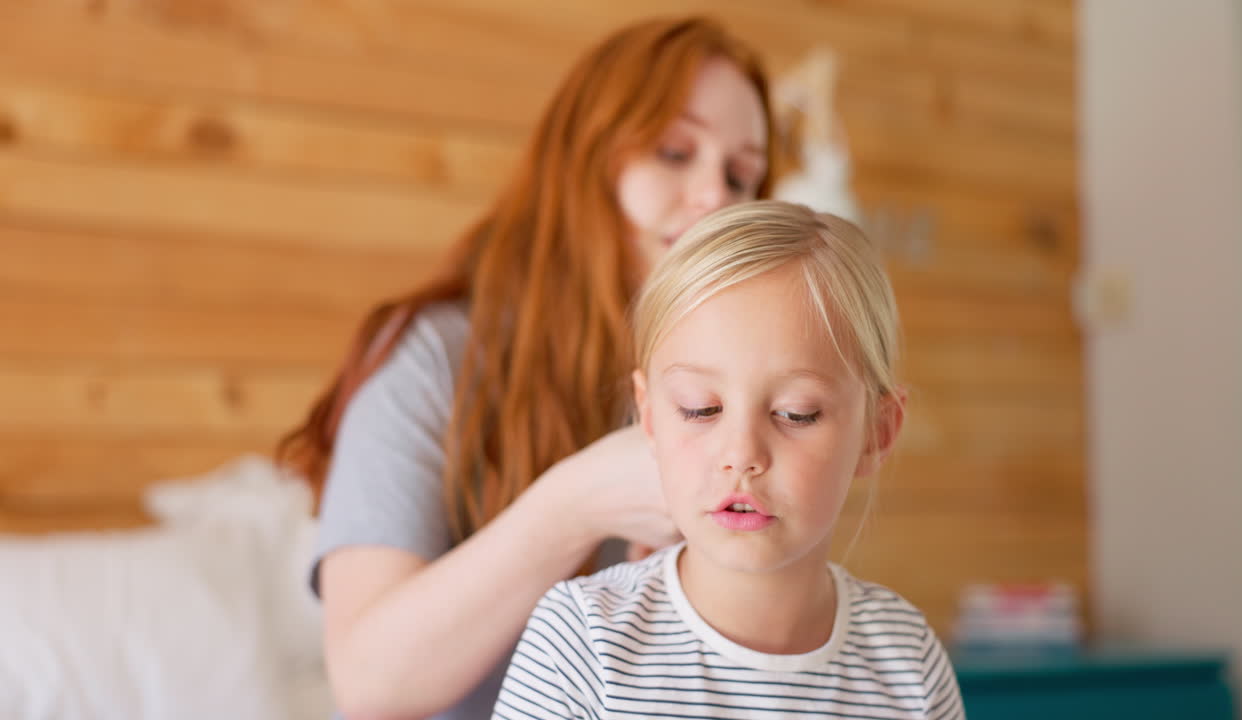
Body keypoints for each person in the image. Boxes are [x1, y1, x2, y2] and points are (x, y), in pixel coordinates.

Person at [277, 16, 774, 720]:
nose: (715, 198)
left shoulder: (735, 389)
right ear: (585, 160)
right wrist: (574, 504)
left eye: (741, 174)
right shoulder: (432, 356)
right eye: (672, 151)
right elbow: (368, 685)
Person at [492, 201, 965, 720]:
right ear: (649, 417)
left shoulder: (908, 662)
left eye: (795, 413)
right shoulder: (583, 642)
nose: (742, 455)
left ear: (876, 432)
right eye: (701, 408)